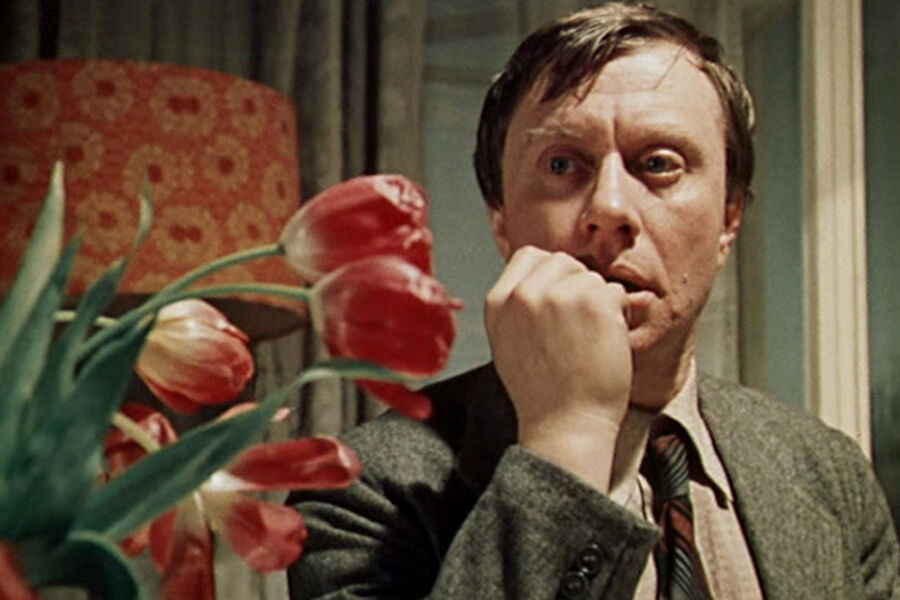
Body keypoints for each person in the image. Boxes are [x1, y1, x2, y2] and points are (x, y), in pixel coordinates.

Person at [287, 3, 900, 599]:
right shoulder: (357, 491)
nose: (609, 208)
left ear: (729, 217)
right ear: (501, 220)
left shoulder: (831, 474)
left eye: (659, 164)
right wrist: (566, 439)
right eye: (561, 165)